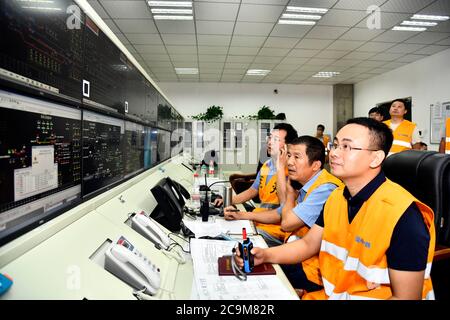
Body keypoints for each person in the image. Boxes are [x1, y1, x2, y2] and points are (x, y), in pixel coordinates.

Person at [235, 117, 435, 300]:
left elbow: (406, 298)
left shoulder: (404, 215)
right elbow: (308, 245)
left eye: (347, 147)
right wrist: (266, 255)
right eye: (336, 145)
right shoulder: (337, 198)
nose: (334, 153)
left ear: (375, 158)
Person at [216, 123, 298, 246]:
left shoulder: (292, 171)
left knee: (232, 240)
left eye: (276, 140)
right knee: (222, 228)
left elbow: (283, 210)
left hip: (275, 229)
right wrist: (228, 200)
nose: (270, 142)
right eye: (270, 138)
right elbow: (252, 191)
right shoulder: (267, 165)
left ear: (287, 146)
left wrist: (243, 215)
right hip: (258, 221)